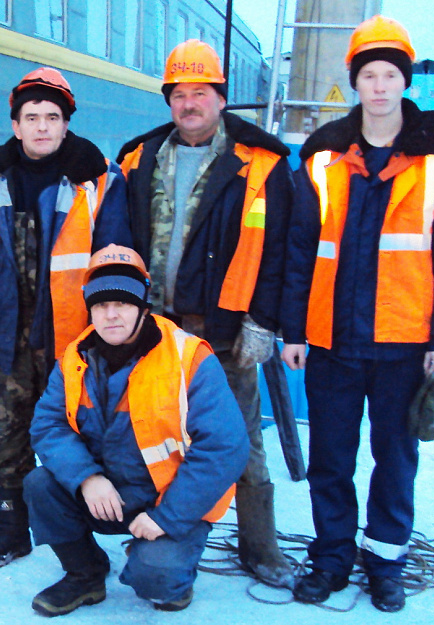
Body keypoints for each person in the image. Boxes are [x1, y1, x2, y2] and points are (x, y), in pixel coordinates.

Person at [281, 16, 434, 612]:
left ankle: (386, 561)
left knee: (395, 459)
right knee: (330, 459)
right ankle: (331, 558)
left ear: (405, 81)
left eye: (391, 74)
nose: (380, 86)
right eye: (369, 75)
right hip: (333, 341)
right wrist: (294, 330)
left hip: (405, 343)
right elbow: (299, 250)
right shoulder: (322, 159)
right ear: (356, 82)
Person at [116, 39, 295, 587]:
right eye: (179, 94)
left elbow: (278, 252)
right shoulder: (138, 159)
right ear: (169, 101)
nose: (189, 103)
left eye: (200, 92)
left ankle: (260, 547)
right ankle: (156, 533)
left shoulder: (261, 164)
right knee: (151, 432)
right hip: (154, 331)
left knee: (240, 438)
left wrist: (262, 321)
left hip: (224, 331)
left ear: (221, 98)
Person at [0, 67, 130, 570]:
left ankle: (76, 539)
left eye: (52, 116)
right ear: (16, 125)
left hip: (73, 340)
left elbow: (116, 266)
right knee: (6, 434)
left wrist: (108, 339)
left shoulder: (100, 181)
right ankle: (11, 531)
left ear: (66, 123)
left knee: (75, 436)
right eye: (31, 117)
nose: (42, 126)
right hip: (2, 336)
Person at [25, 245, 248, 615]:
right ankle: (85, 574)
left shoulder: (188, 357)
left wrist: (166, 517)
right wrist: (87, 478)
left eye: (123, 304)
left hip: (169, 498)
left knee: (157, 581)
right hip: (107, 492)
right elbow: (48, 425)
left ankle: (164, 565)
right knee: (40, 485)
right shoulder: (74, 358)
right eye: (100, 305)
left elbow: (225, 447)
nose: (111, 315)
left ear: (144, 306)